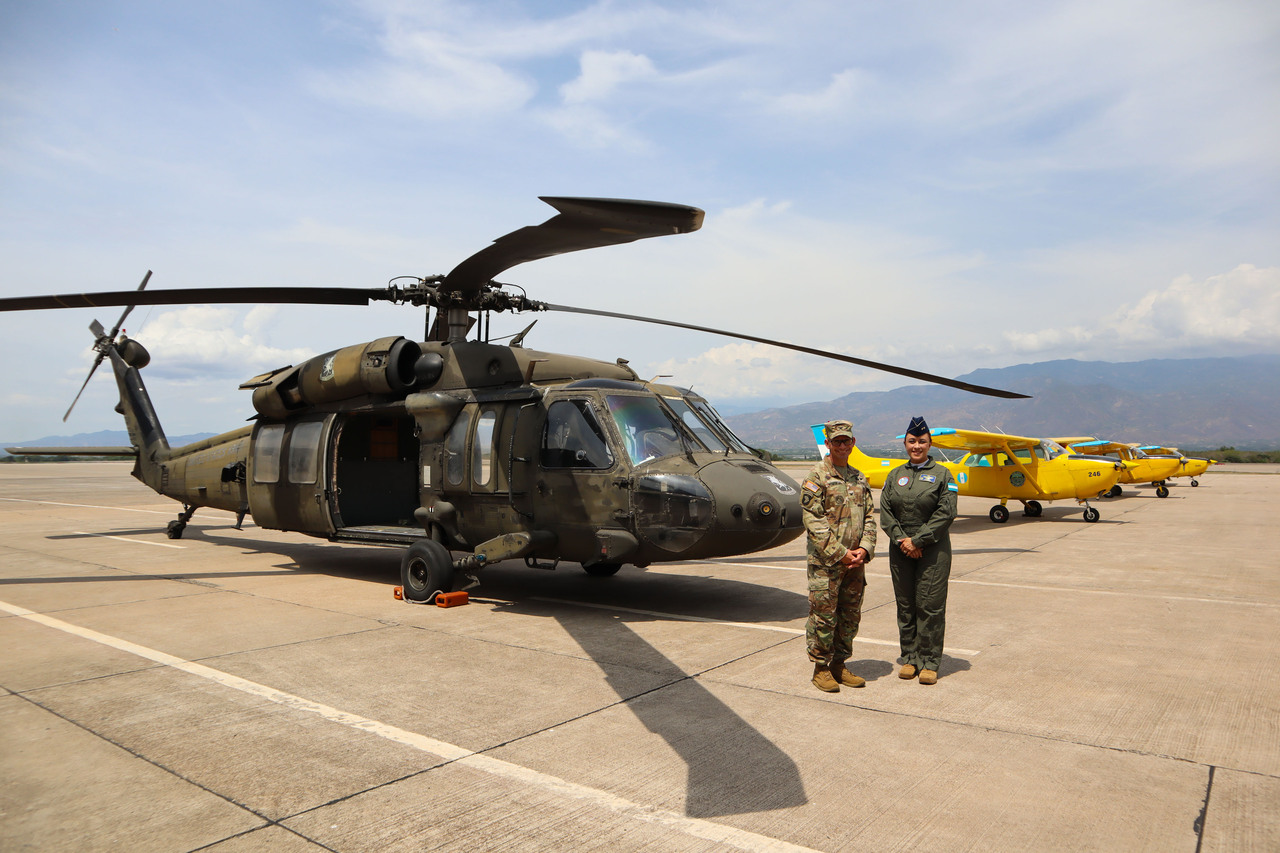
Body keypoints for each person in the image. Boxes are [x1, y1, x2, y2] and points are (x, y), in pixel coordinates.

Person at [879, 416, 959, 685]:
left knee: (930, 605)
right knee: (906, 605)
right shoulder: (895, 475)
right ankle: (910, 658)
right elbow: (886, 513)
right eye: (912, 441)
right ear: (905, 444)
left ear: (929, 444)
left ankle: (929, 662)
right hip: (901, 548)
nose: (917, 446)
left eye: (922, 442)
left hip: (933, 550)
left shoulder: (943, 475)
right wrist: (903, 540)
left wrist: (918, 540)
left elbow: (946, 512)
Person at [801, 419, 877, 692]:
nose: (842, 446)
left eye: (847, 441)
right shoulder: (817, 477)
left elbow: (869, 517)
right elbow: (814, 523)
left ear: (853, 443)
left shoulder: (858, 477)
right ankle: (820, 668)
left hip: (855, 564)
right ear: (828, 444)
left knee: (849, 616)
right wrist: (841, 553)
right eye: (837, 441)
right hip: (826, 564)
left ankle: (839, 664)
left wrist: (864, 549)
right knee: (824, 616)